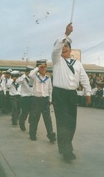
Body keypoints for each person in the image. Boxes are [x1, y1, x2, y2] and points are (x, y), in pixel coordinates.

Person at [52, 22, 91, 162]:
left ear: (70, 49)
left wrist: (88, 92)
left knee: (71, 123)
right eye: (62, 46)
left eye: (66, 46)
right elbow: (56, 48)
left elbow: (84, 78)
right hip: (59, 94)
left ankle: (67, 146)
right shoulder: (56, 61)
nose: (64, 48)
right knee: (63, 122)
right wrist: (66, 34)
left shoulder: (77, 64)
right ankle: (66, 151)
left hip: (71, 95)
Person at [28, 60, 56, 142]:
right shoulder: (35, 77)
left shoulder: (48, 78)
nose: (44, 68)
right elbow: (30, 74)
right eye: (42, 67)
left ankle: (51, 135)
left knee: (48, 119)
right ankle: (32, 134)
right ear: (39, 68)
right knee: (35, 118)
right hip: (36, 100)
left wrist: (50, 99)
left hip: (45, 100)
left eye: (45, 67)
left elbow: (50, 89)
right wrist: (37, 68)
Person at [16, 66, 34, 131]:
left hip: (33, 97)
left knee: (32, 113)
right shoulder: (23, 78)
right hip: (25, 98)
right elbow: (17, 82)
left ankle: (31, 124)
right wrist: (24, 75)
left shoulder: (34, 78)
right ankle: (21, 122)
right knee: (25, 112)